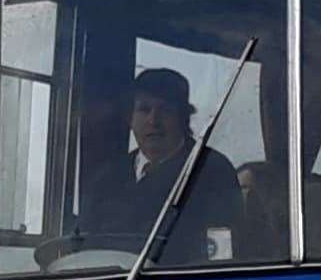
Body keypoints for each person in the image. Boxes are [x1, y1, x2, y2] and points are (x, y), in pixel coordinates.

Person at [77, 68, 242, 265]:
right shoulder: (105, 179)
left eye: (165, 110)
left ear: (183, 118)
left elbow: (221, 257)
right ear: (130, 118)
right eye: (144, 110)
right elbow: (82, 250)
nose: (153, 121)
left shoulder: (212, 170)